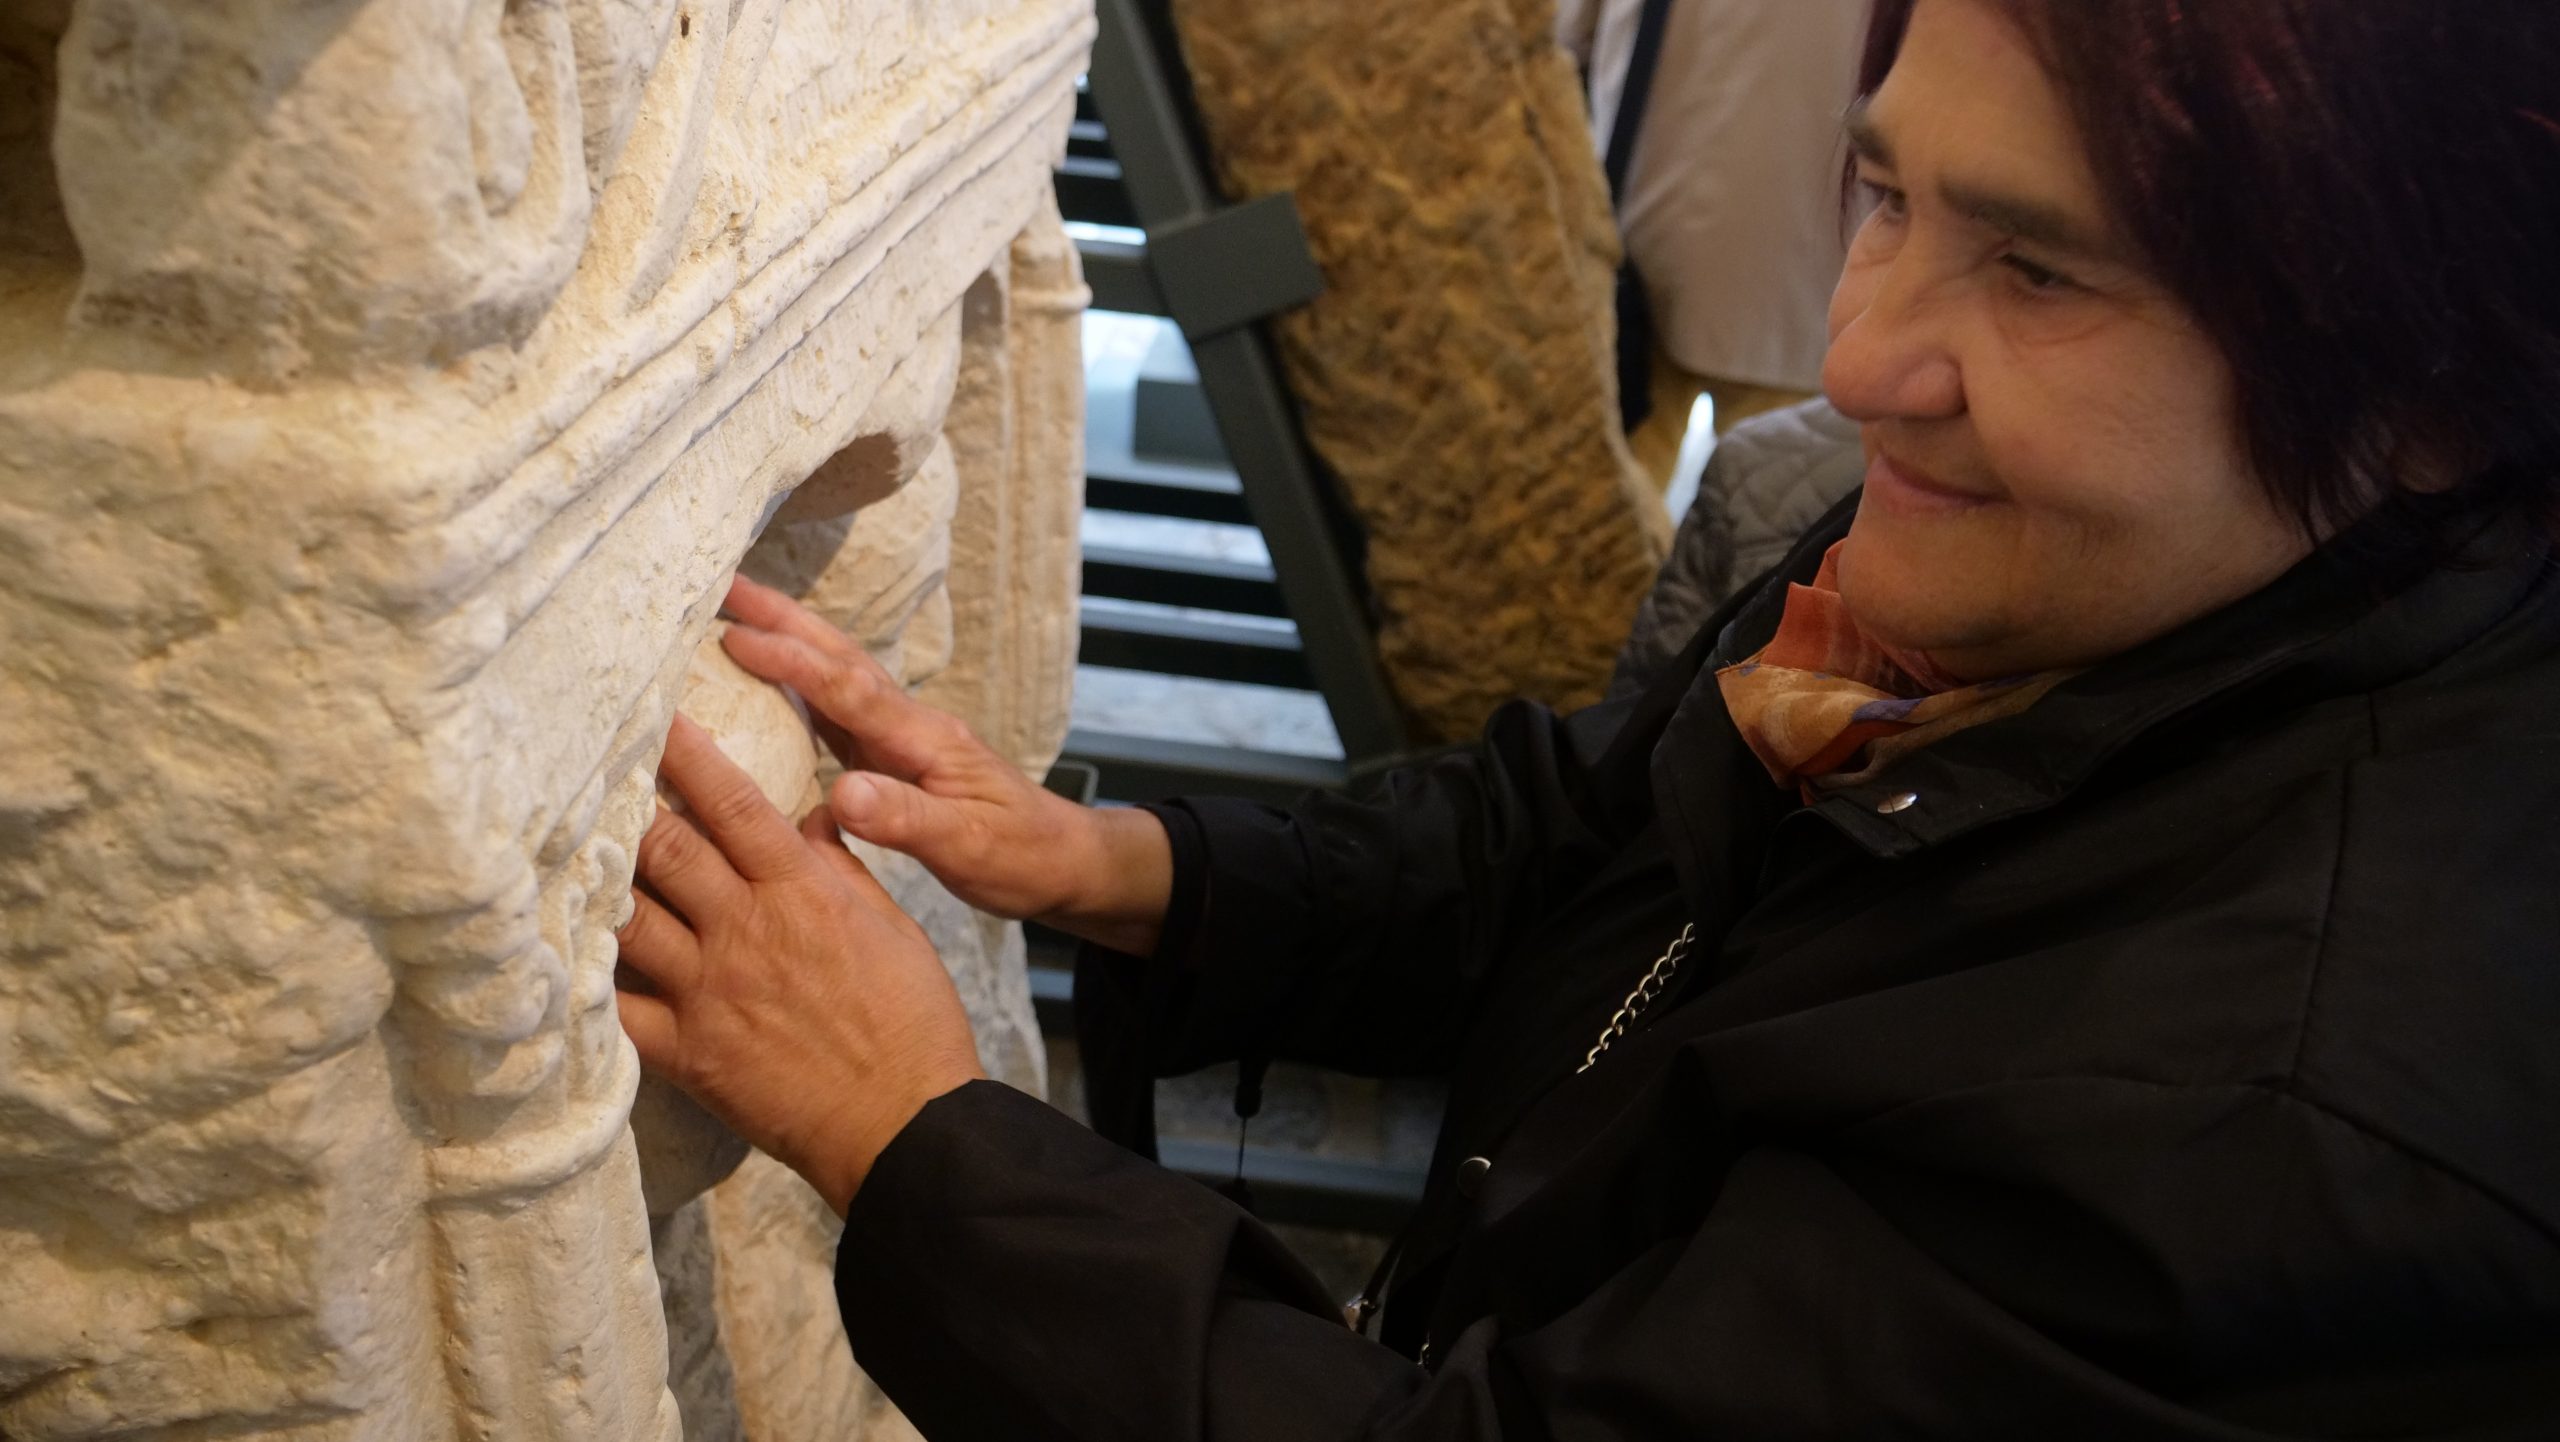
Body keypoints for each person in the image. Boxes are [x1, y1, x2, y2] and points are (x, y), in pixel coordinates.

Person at [613, 0, 2560, 1434]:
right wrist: (1118, 862)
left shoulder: (2258, 1138)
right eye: (1884, 194)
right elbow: (1591, 842)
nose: (1859, 353)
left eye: (2039, 272)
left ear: (2425, 385)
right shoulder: (2025, 596)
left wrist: (912, 1137)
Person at [1555, 0, 1868, 484]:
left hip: (1644, 274)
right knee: (1777, 519)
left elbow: (1565, 41)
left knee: (1606, 513)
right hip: (1811, 297)